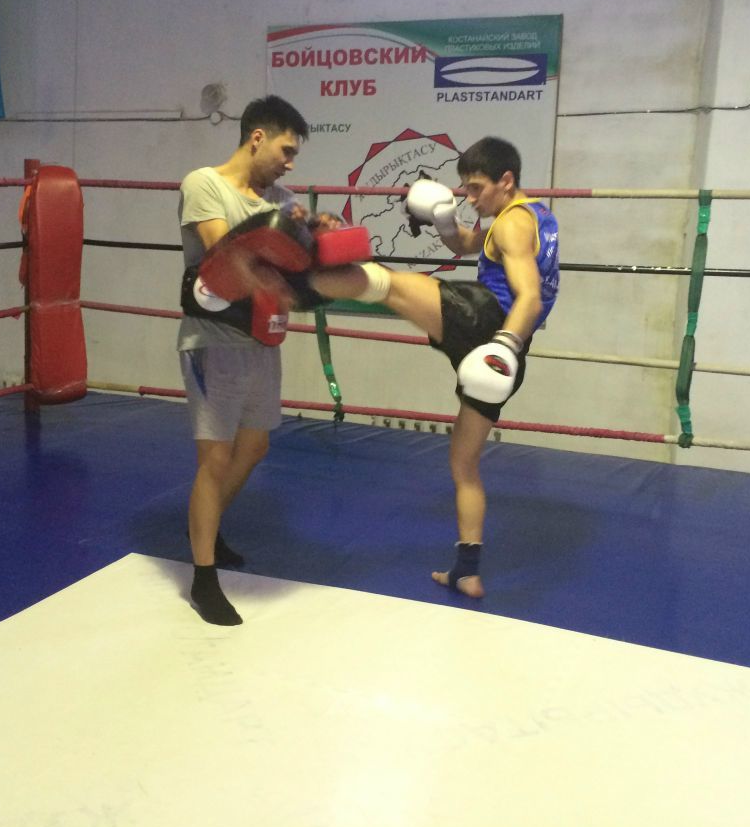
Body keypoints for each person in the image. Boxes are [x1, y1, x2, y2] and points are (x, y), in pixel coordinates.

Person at [308, 136, 560, 597]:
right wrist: (445, 221)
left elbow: (530, 297)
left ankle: (293, 283)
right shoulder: (531, 217)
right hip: (506, 359)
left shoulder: (510, 225)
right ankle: (467, 571)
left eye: (477, 188)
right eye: (465, 189)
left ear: (506, 180)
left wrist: (502, 344)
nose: (470, 198)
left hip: (486, 325)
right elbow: (467, 243)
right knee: (463, 464)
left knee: (386, 285)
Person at [177, 95, 311, 626]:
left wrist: (314, 234)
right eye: (286, 150)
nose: (290, 164)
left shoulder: (282, 199)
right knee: (215, 458)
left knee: (254, 447)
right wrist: (286, 243)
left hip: (263, 339)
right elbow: (224, 254)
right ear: (257, 138)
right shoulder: (204, 184)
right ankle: (203, 577)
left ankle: (205, 527)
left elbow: (302, 264)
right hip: (214, 340)